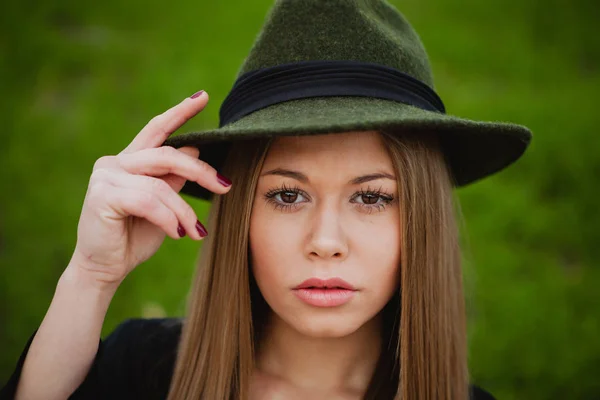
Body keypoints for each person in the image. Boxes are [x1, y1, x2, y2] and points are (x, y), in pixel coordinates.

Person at [0, 0, 532, 399]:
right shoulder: (144, 370)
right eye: (286, 194)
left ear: (423, 217)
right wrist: (91, 276)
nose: (326, 243)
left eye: (371, 198)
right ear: (238, 213)